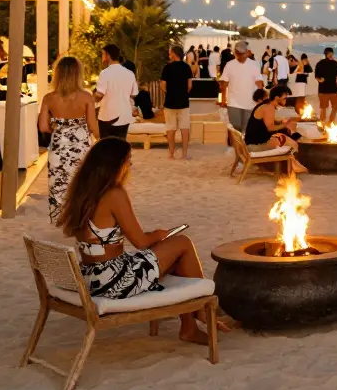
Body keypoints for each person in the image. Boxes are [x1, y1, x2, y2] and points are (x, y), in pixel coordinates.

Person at [57, 137, 228, 345]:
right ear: (115, 165)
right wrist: (158, 234)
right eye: (128, 160)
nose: (130, 165)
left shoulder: (82, 192)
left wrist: (155, 240)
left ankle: (191, 323)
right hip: (116, 281)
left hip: (91, 277)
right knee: (182, 243)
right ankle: (198, 314)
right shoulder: (114, 194)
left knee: (169, 254)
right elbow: (140, 241)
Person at [39, 56, 98, 224]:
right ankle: (81, 218)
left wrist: (56, 127)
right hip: (81, 146)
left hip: (59, 146)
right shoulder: (86, 97)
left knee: (58, 184)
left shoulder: (49, 98)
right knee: (82, 183)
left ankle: (60, 220)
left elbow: (43, 127)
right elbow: (93, 126)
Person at [245, 85, 308, 174]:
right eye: (284, 98)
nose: (286, 100)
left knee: (286, 135)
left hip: (253, 142)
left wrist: (282, 122)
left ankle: (292, 164)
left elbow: (268, 121)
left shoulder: (266, 104)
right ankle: (291, 166)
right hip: (255, 146)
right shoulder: (269, 107)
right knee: (292, 143)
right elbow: (270, 128)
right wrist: (284, 124)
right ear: (276, 97)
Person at [218, 40, 264, 133]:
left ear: (247, 52)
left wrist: (261, 100)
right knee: (235, 128)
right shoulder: (229, 65)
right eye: (238, 53)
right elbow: (224, 84)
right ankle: (236, 146)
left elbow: (259, 83)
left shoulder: (254, 64)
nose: (240, 56)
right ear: (235, 52)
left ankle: (244, 146)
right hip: (233, 102)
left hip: (250, 102)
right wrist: (223, 101)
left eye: (242, 53)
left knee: (247, 129)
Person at [93, 44, 138, 139]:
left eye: (102, 54)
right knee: (120, 146)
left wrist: (90, 99)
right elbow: (133, 94)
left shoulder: (105, 73)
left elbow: (99, 94)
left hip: (107, 116)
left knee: (106, 146)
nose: (102, 57)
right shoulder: (129, 73)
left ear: (108, 55)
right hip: (124, 116)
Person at [161, 45, 194, 160]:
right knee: (185, 128)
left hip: (170, 102)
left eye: (170, 52)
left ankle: (171, 154)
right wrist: (182, 93)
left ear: (174, 54)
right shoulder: (186, 67)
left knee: (171, 129)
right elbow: (189, 85)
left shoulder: (167, 67)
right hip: (183, 102)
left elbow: (163, 86)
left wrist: (170, 92)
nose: (169, 54)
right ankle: (184, 154)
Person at [315, 47, 337, 124]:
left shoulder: (334, 64)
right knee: (325, 107)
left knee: (334, 105)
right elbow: (316, 76)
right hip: (326, 89)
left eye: (331, 53)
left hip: (330, 89)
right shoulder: (321, 63)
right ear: (326, 54)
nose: (330, 55)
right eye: (329, 53)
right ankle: (325, 123)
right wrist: (320, 80)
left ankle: (329, 122)